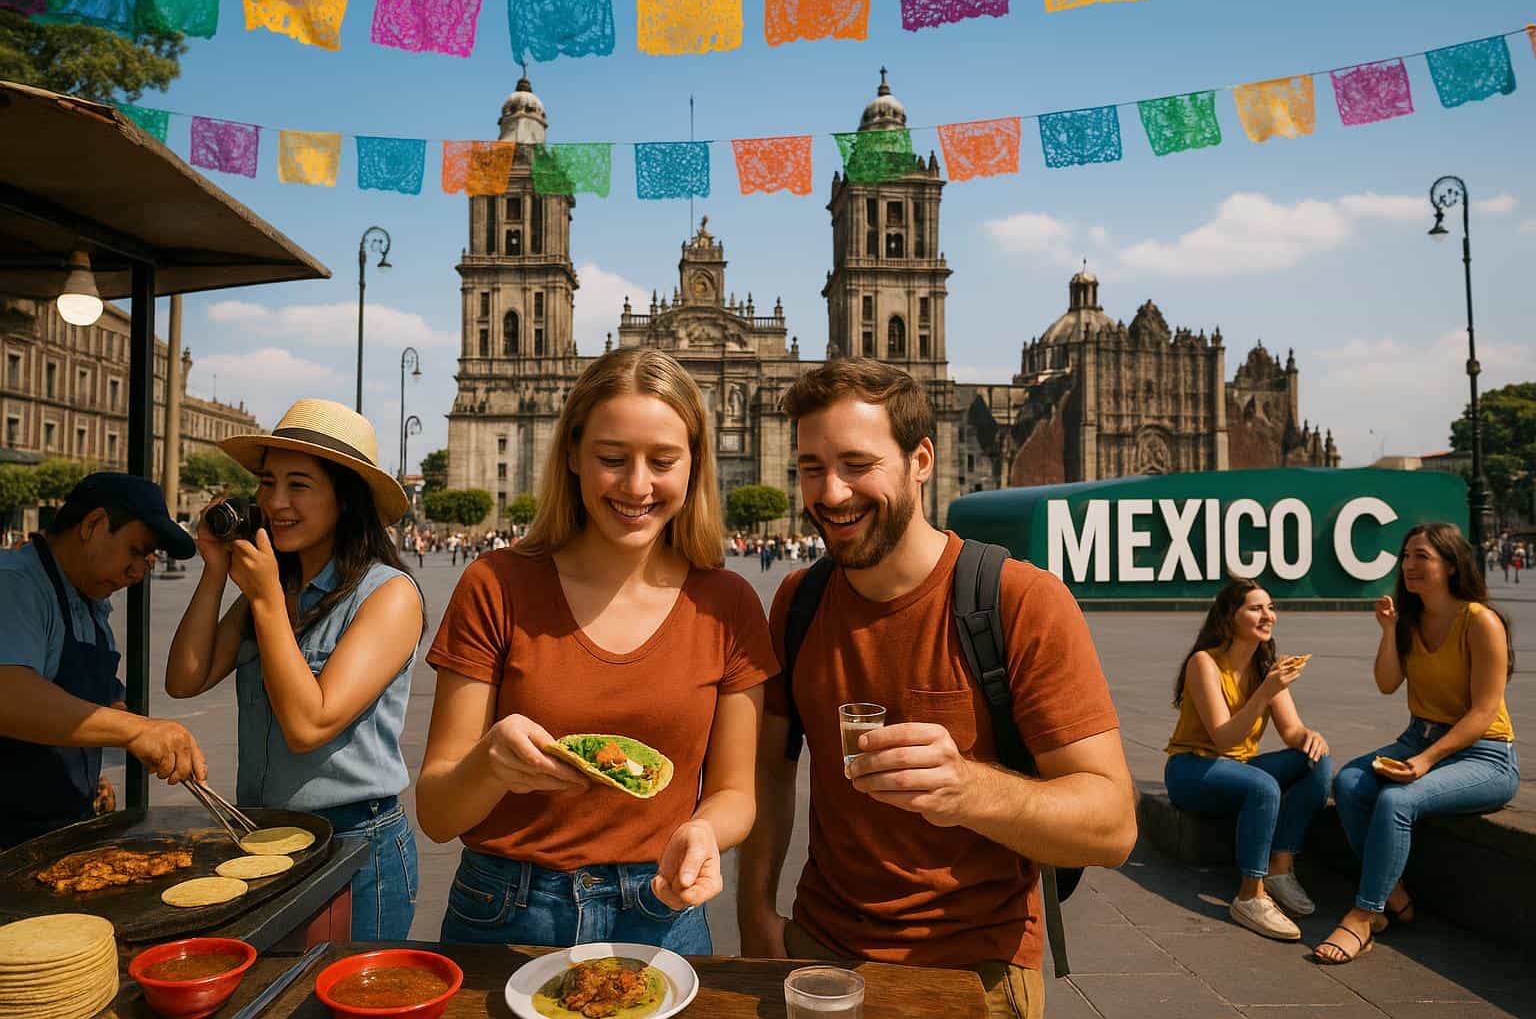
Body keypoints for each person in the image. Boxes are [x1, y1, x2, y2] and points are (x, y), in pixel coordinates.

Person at [737, 359, 1136, 1019]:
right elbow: (769, 771)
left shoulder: (1019, 602)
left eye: (857, 464)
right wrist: (755, 915)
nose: (831, 493)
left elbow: (1114, 825)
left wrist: (970, 788)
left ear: (921, 459)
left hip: (974, 971)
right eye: (811, 467)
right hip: (818, 949)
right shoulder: (797, 602)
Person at [416, 348, 775, 952]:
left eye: (663, 460)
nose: (637, 486)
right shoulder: (495, 585)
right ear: (574, 457)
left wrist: (705, 831)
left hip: (662, 907)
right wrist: (489, 763)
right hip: (506, 910)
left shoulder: (729, 604)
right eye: (612, 459)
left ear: (695, 465)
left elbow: (736, 791)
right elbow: (437, 812)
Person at [164, 399, 427, 940]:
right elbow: (185, 679)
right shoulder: (273, 589)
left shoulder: (388, 595)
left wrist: (264, 602)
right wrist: (215, 570)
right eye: (266, 483)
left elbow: (310, 725)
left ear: (345, 499)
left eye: (299, 485)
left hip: (355, 845)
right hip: (261, 835)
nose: (276, 502)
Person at [1317, 522, 1520, 964]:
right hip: (1418, 735)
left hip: (1486, 753)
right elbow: (1388, 683)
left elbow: (1484, 711)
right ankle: (1394, 894)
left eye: (1422, 556)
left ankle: (1365, 915)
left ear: (1451, 564)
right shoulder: (1410, 619)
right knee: (1349, 783)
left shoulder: (1480, 622)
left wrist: (1427, 760)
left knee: (1396, 800)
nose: (1409, 565)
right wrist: (1388, 630)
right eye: (1406, 556)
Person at [0, 473, 208, 849]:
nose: (137, 571)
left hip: (56, 831)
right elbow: (9, 694)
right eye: (135, 550)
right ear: (94, 524)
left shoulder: (89, 603)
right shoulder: (14, 583)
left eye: (147, 560)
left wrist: (87, 770)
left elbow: (94, 697)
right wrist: (134, 730)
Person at [1163, 579, 1331, 942]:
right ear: (1229, 617)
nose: (1267, 614)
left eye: (1270, 607)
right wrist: (1264, 693)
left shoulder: (1266, 666)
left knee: (1316, 762)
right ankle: (1250, 896)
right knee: (1263, 786)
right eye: (1255, 608)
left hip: (1236, 769)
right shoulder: (1204, 663)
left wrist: (1309, 738)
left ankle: (1279, 869)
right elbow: (1224, 737)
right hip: (1193, 769)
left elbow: (1292, 731)